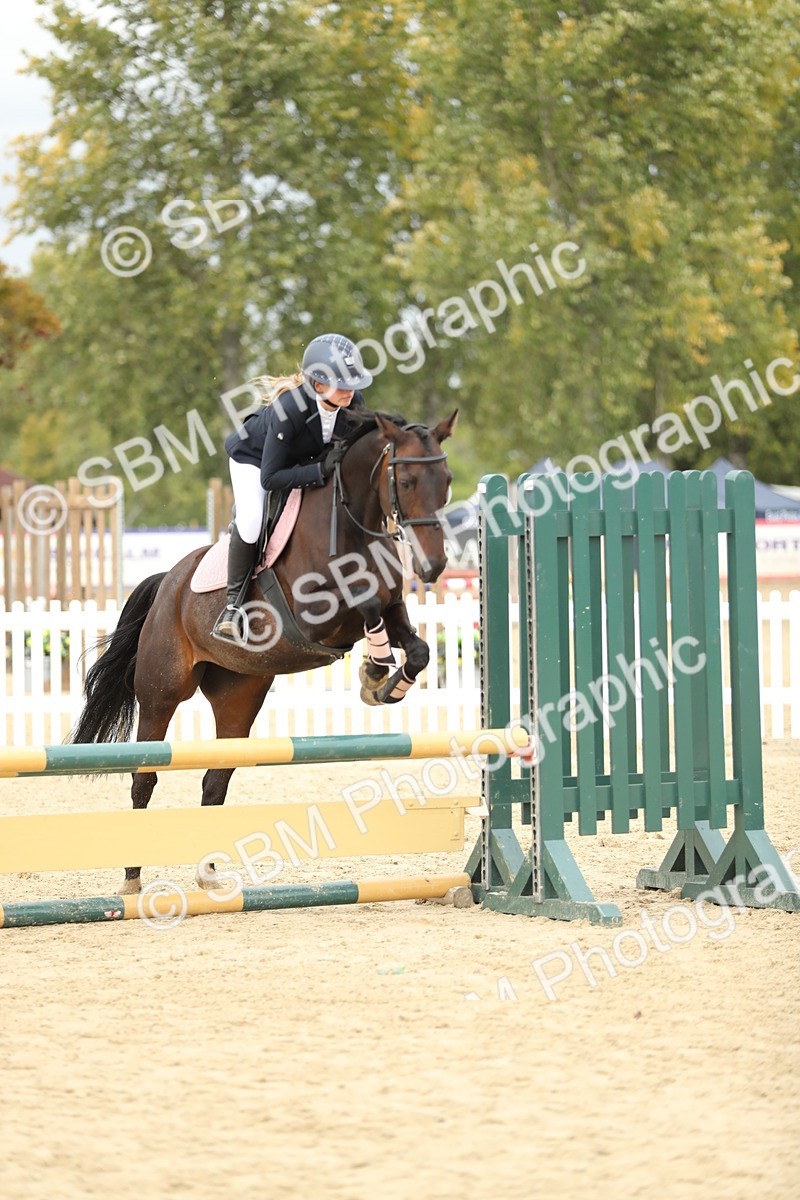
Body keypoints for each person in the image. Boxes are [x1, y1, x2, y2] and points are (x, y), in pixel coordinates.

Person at [213, 333, 373, 642]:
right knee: (251, 521)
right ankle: (233, 608)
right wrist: (320, 470)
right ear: (317, 385)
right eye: (342, 384)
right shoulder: (290, 409)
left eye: (353, 383)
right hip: (254, 461)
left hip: (300, 459)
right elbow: (270, 478)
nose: (350, 391)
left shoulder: (353, 403)